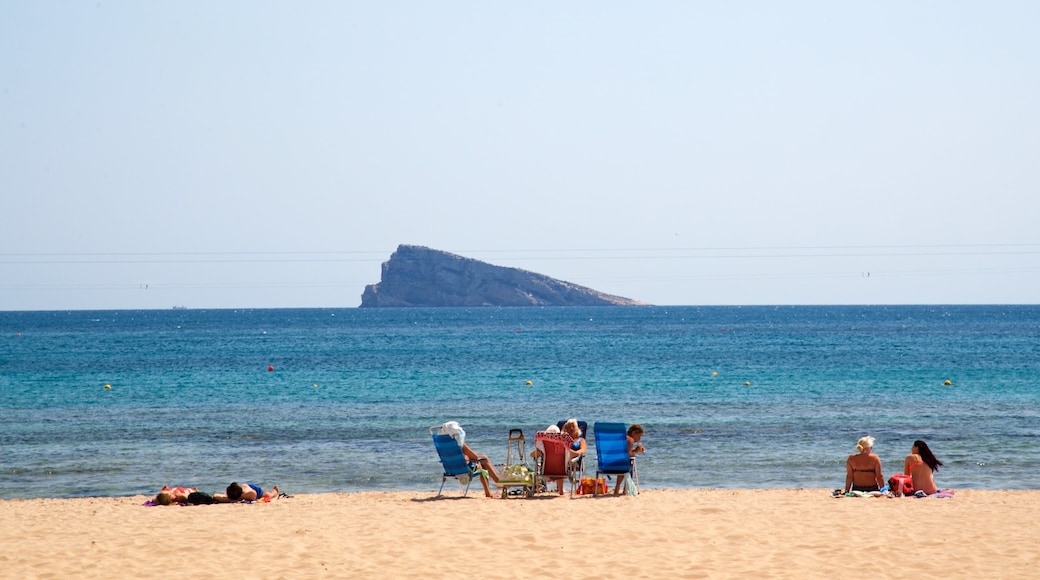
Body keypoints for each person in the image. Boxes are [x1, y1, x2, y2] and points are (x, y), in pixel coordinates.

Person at [614, 424, 645, 495]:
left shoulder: (620, 437)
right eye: (639, 436)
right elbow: (628, 454)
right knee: (629, 462)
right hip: (621, 466)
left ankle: (617, 487)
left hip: (608, 465)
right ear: (634, 433)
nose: (639, 439)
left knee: (623, 462)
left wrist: (634, 450)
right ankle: (625, 489)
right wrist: (636, 451)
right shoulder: (630, 440)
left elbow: (623, 454)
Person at [214, 482, 281, 502]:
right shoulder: (231, 491)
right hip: (244, 488)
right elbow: (215, 495)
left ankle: (275, 491)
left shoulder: (247, 491)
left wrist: (239, 498)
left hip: (257, 490)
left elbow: (254, 494)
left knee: (270, 495)